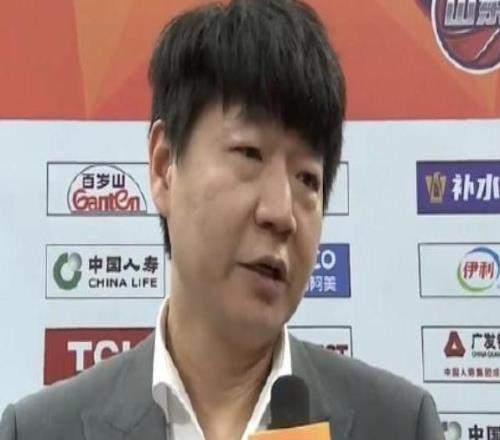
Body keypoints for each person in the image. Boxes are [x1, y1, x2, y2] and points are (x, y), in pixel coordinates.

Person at [0, 0, 445, 439]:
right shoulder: (39, 431)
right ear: (164, 165)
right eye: (249, 153)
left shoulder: (400, 425)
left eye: (307, 178)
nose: (281, 213)